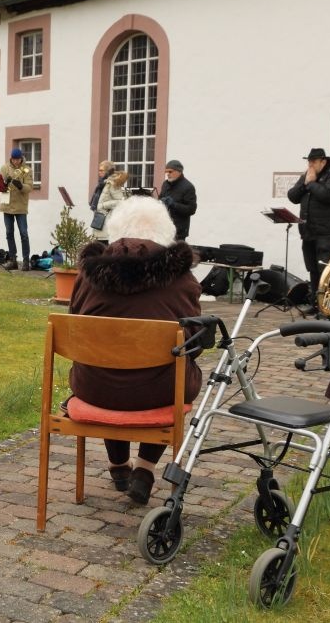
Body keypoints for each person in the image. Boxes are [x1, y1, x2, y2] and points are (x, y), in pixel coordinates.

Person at [68, 197, 203, 505]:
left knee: (110, 363)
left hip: (95, 387)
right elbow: (194, 340)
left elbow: (75, 324)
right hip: (159, 390)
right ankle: (144, 468)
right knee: (180, 373)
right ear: (165, 232)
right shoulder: (181, 277)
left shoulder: (89, 273)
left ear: (116, 229)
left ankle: (118, 465)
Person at [287, 147, 330, 313]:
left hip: (327, 233)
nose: (310, 164)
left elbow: (328, 196)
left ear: (323, 162)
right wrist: (305, 183)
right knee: (312, 269)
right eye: (309, 161)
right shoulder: (308, 176)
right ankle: (316, 304)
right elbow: (293, 196)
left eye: (314, 161)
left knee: (325, 270)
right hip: (308, 232)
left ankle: (328, 307)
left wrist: (311, 184)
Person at [0, 147, 34, 270]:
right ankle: (12, 260)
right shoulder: (4, 168)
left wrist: (21, 186)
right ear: (11, 158)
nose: (15, 162)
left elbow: (30, 187)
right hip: (7, 205)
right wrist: (4, 183)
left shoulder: (27, 169)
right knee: (9, 233)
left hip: (20, 206)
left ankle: (25, 261)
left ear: (21, 158)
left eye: (18, 159)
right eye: (14, 159)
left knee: (23, 233)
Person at [157, 160, 197, 242]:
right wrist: (160, 202)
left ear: (179, 171)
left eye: (170, 172)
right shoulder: (165, 184)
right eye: (166, 172)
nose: (168, 174)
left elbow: (191, 209)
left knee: (176, 254)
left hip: (179, 231)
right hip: (164, 229)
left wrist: (174, 205)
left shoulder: (188, 187)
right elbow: (160, 199)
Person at [92, 166, 129, 244]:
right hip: (107, 220)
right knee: (106, 247)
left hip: (103, 219)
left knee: (101, 246)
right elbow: (120, 202)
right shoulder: (114, 185)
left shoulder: (109, 183)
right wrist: (125, 200)